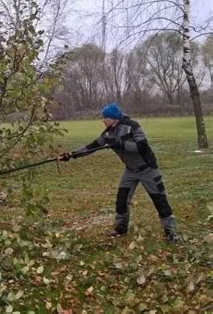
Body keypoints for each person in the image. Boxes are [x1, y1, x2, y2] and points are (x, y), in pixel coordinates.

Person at [58, 103, 181, 243]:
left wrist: (121, 143)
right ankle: (120, 229)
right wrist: (71, 155)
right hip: (130, 170)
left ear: (114, 118)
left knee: (159, 200)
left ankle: (171, 232)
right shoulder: (108, 133)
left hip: (148, 168)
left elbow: (142, 146)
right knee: (121, 200)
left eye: (105, 118)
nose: (103, 121)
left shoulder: (132, 126)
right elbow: (91, 147)